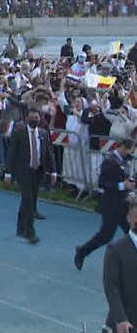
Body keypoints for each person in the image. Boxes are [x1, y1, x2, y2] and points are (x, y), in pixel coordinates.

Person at [75, 139, 136, 270]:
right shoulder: (110, 162)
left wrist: (129, 189)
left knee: (132, 233)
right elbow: (102, 183)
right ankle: (83, 251)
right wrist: (122, 186)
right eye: (130, 150)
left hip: (124, 205)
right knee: (105, 236)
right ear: (123, 148)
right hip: (111, 206)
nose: (131, 154)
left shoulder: (125, 161)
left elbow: (125, 179)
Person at [5, 108, 57, 244]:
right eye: (32, 118)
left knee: (29, 200)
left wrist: (53, 171)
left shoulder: (43, 134)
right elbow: (11, 153)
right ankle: (30, 231)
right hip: (23, 171)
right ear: (26, 119)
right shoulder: (19, 134)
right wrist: (8, 172)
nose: (35, 120)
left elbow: (49, 153)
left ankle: (20, 228)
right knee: (28, 200)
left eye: (37, 118)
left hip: (38, 171)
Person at [103, 198, 137, 333]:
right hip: (127, 323)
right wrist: (120, 319)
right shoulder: (116, 249)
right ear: (128, 218)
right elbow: (111, 287)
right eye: (136, 216)